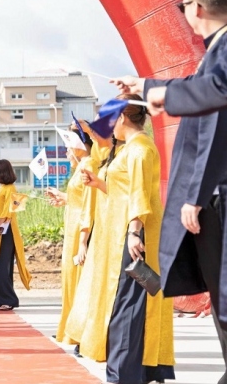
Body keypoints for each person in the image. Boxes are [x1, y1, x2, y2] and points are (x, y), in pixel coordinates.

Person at [113, 0, 227, 382]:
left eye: (183, 7)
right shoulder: (216, 51)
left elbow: (215, 102)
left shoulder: (225, 49)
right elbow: (204, 87)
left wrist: (195, 195)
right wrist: (147, 85)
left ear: (196, 8)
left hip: (218, 198)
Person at [67, 95, 175, 383]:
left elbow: (139, 195)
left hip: (133, 236)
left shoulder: (140, 150)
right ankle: (132, 370)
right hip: (121, 235)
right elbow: (125, 191)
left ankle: (124, 372)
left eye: (111, 120)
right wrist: (100, 183)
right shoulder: (130, 150)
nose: (109, 128)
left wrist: (134, 232)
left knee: (129, 304)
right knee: (126, 303)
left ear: (123, 118)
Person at [45, 126, 95, 349]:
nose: (66, 151)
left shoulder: (88, 165)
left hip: (81, 229)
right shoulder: (81, 167)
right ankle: (69, 328)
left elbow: (91, 204)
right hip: (73, 228)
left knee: (78, 279)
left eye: (68, 145)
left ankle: (78, 331)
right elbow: (80, 199)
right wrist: (64, 198)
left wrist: (83, 239)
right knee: (69, 279)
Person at [0, 159, 31, 310]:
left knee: (2, 266)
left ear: (0, 172)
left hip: (5, 230)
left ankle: (7, 300)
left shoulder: (10, 188)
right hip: (0, 228)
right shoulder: (3, 187)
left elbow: (8, 211)